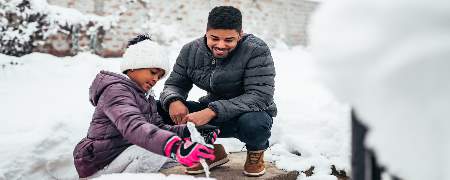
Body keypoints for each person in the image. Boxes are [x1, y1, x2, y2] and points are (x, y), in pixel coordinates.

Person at [72, 35, 218, 178]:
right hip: (101, 163)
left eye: (159, 76)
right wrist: (175, 147)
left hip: (124, 155)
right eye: (153, 72)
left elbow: (158, 128)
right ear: (133, 66)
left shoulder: (145, 96)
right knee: (157, 151)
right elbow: (134, 127)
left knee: (170, 156)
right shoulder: (116, 91)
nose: (155, 79)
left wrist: (189, 131)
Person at [158, 6, 276, 177]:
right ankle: (210, 152)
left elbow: (260, 96)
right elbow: (174, 84)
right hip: (211, 112)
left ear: (240, 35)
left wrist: (212, 111)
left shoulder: (256, 50)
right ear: (206, 32)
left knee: (254, 123)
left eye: (229, 40)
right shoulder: (190, 51)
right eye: (214, 38)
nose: (220, 45)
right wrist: (173, 100)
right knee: (156, 109)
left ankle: (255, 154)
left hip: (247, 115)